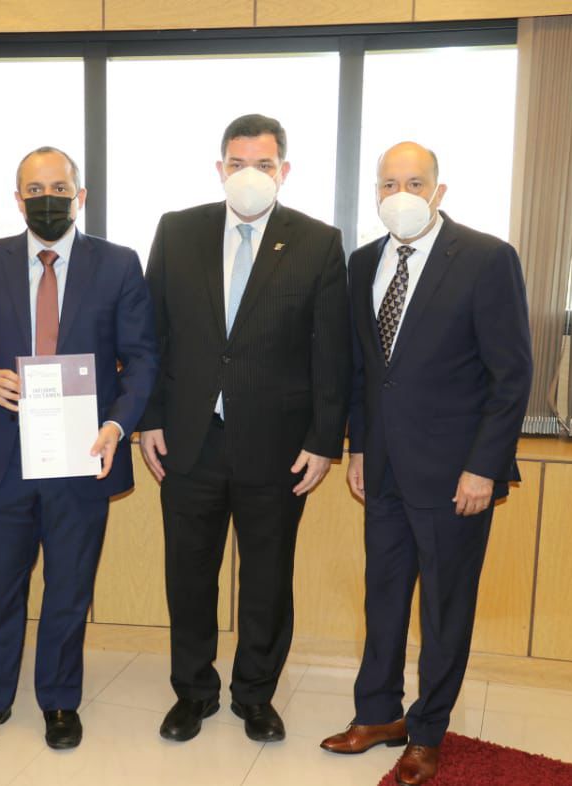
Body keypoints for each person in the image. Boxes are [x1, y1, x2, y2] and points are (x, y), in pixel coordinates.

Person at [318, 142, 532, 785]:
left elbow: (511, 374)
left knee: (444, 607)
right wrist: (357, 448)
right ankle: (377, 713)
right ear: (376, 194)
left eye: (414, 181)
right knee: (381, 597)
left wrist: (484, 468)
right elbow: (363, 372)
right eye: (389, 183)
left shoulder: (487, 258)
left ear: (439, 191)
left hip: (456, 476)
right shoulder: (362, 264)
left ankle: (428, 729)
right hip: (381, 468)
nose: (401, 193)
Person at [138, 114, 351, 744]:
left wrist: (323, 439)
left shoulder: (317, 241)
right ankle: (193, 693)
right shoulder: (177, 232)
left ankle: (255, 695)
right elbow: (151, 336)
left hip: (278, 448)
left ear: (283, 170)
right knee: (189, 574)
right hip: (188, 441)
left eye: (262, 164)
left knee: (266, 578)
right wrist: (148, 420)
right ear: (219, 168)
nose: (248, 174)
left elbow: (330, 355)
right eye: (237, 163)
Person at [0, 147, 157, 752]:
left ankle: (60, 701)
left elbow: (142, 358)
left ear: (80, 195)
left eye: (59, 186)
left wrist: (118, 426)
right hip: (3, 457)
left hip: (82, 455)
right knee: (2, 585)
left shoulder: (118, 264)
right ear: (17, 199)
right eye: (34, 189)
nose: (47, 198)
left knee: (69, 587)